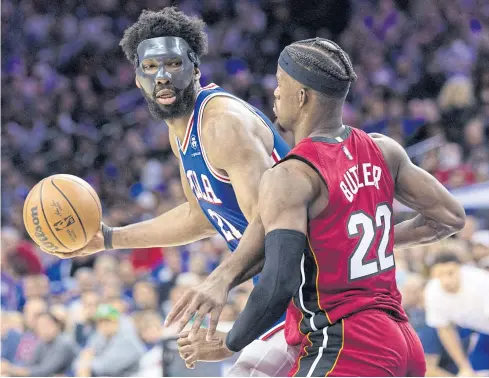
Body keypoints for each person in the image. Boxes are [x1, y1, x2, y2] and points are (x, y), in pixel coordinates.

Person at [174, 38, 466, 376]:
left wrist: (228, 344)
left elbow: (277, 285)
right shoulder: (384, 150)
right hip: (402, 341)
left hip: (347, 344)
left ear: (302, 96)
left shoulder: (291, 174)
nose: (275, 93)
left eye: (280, 83)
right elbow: (449, 217)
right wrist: (370, 240)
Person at [43, 7, 292, 377]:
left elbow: (272, 228)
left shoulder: (221, 124)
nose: (162, 76)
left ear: (195, 69)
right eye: (150, 67)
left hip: (313, 286)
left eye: (173, 63)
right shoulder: (181, 131)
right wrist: (109, 238)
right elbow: (199, 215)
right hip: (282, 294)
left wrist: (218, 281)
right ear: (137, 79)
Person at [424, 252, 489, 375]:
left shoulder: (482, 282)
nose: (445, 280)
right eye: (439, 275)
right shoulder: (432, 291)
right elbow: (445, 330)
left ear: (461, 269)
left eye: (450, 273)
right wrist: (464, 366)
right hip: (475, 330)